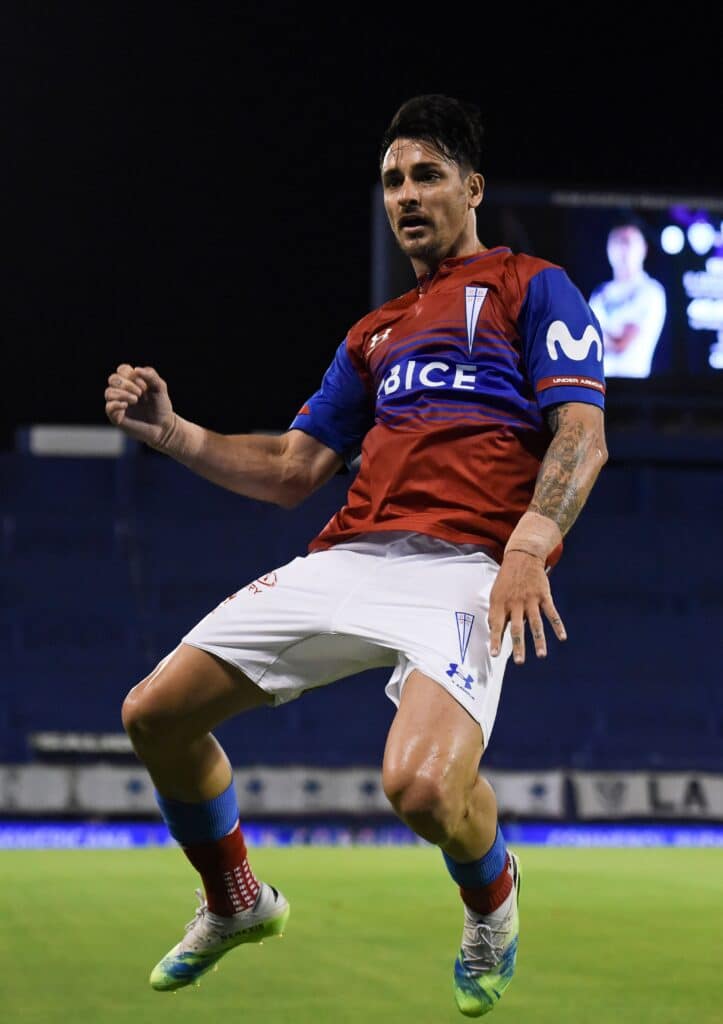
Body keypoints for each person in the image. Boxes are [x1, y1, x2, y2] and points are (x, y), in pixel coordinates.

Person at [104, 93, 608, 1017]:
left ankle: (492, 901)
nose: (406, 195)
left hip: (468, 565)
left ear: (471, 188)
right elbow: (294, 469)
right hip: (349, 554)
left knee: (419, 789)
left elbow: (579, 430)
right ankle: (235, 900)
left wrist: (533, 540)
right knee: (154, 714)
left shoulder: (531, 286)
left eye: (426, 176)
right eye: (391, 181)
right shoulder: (371, 335)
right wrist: (173, 432)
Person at [588, 217, 667, 378]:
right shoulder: (599, 293)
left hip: (633, 390)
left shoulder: (650, 291)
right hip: (596, 390)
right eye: (616, 242)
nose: (621, 249)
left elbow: (620, 344)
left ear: (643, 249)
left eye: (627, 241)